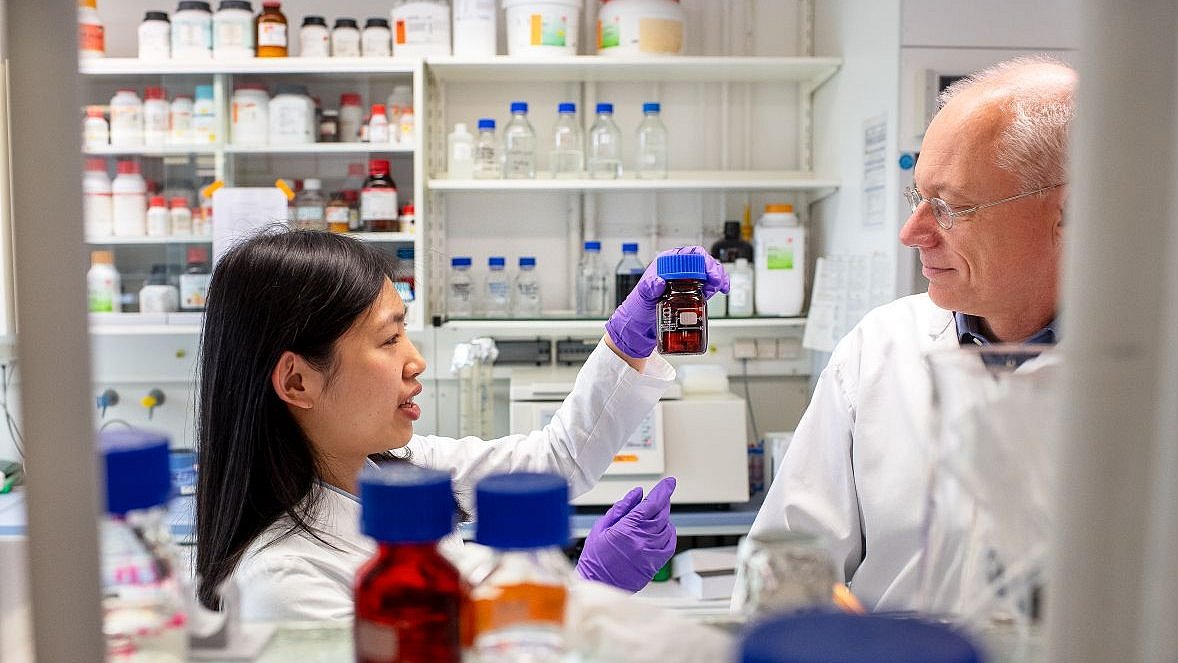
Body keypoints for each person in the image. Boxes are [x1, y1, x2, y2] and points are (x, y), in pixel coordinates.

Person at [194, 230, 729, 620]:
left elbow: (557, 460)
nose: (416, 361)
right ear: (296, 382)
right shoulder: (284, 582)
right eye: (388, 339)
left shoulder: (399, 472)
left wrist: (628, 341)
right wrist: (585, 592)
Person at [748, 55, 1074, 611]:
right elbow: (788, 567)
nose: (912, 232)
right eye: (917, 197)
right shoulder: (878, 349)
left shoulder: (1153, 371)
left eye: (951, 207)